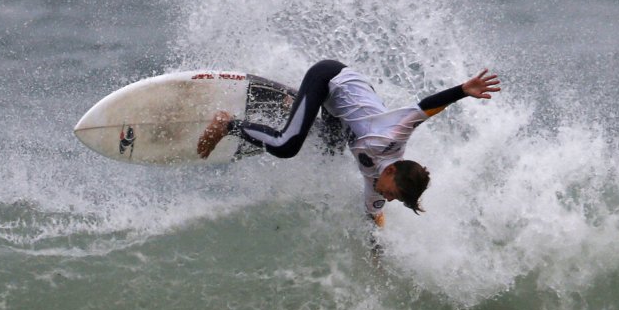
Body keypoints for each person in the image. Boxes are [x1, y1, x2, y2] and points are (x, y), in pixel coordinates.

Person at [197, 60, 501, 227]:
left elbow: (373, 216)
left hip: (338, 114)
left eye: (393, 199)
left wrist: (376, 256)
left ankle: (289, 104)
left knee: (326, 153)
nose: (387, 198)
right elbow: (426, 108)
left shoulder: (376, 182)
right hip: (331, 79)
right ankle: (228, 124)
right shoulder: (393, 135)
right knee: (287, 146)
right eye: (392, 194)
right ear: (392, 173)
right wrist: (463, 90)